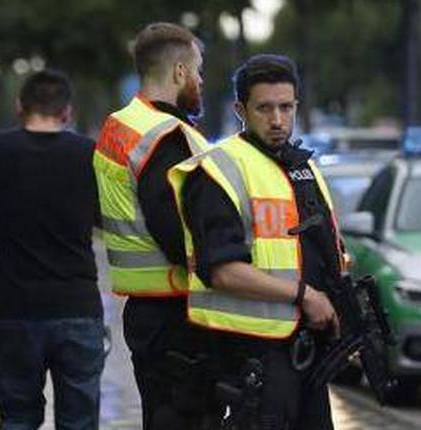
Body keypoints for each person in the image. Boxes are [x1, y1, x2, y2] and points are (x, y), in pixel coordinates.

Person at [168, 54, 342, 430]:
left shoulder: (302, 167)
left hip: (303, 351)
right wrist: (306, 296)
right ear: (240, 110)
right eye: (264, 108)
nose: (277, 120)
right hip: (250, 355)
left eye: (286, 107)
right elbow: (223, 271)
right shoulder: (218, 169)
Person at [0, 70, 105, 429]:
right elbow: (107, 221)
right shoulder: (89, 153)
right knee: (79, 419)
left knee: (17, 416)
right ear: (67, 112)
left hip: (15, 307)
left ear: (19, 106)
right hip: (77, 305)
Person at [93, 22, 215, 429]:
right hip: (178, 311)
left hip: (146, 311)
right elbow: (178, 230)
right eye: (197, 71)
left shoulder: (118, 125)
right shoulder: (167, 137)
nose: (200, 81)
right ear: (179, 72)